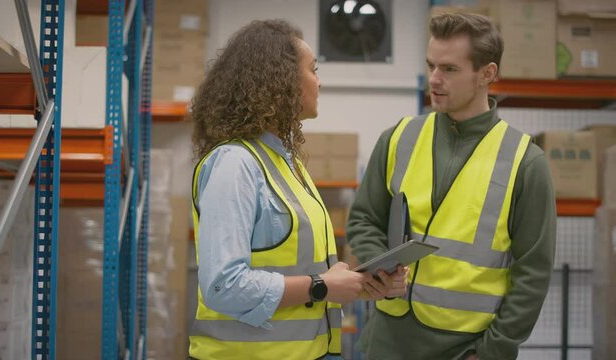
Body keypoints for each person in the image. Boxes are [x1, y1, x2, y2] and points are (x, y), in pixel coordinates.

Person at [188, 19, 409, 360]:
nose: (319, 82)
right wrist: (321, 285)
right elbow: (223, 286)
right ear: (280, 82)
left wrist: (359, 284)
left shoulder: (286, 165)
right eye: (313, 70)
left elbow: (303, 273)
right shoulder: (235, 164)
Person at [347, 12, 556, 360]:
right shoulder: (399, 138)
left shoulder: (525, 162)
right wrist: (378, 266)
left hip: (464, 349)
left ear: (486, 74)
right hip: (387, 342)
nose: (434, 79)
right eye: (431, 65)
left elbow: (533, 274)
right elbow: (364, 218)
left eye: (449, 69)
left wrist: (492, 352)